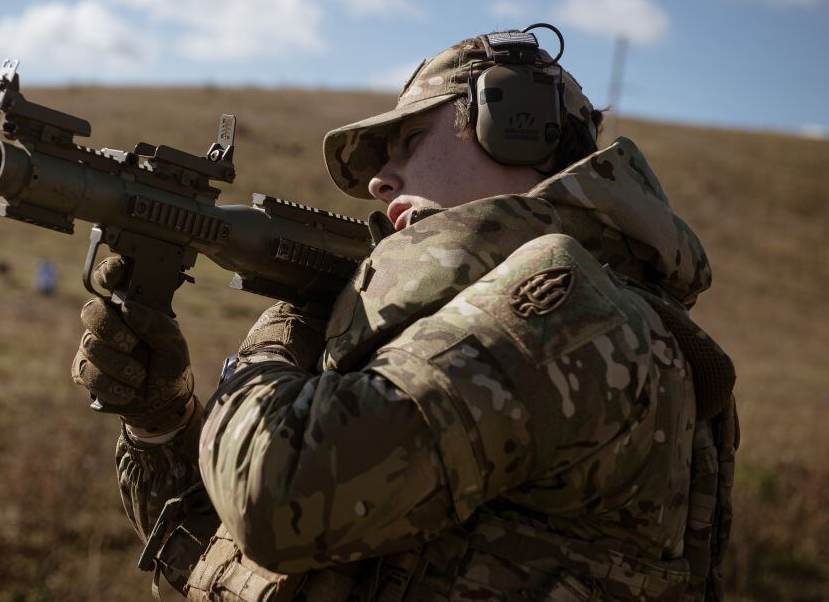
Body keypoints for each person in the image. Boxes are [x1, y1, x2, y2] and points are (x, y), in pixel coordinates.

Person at [71, 29, 738, 601]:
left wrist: (281, 336)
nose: (378, 182)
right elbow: (244, 569)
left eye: (410, 141)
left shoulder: (572, 306)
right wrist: (163, 421)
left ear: (515, 125)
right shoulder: (482, 325)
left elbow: (272, 499)